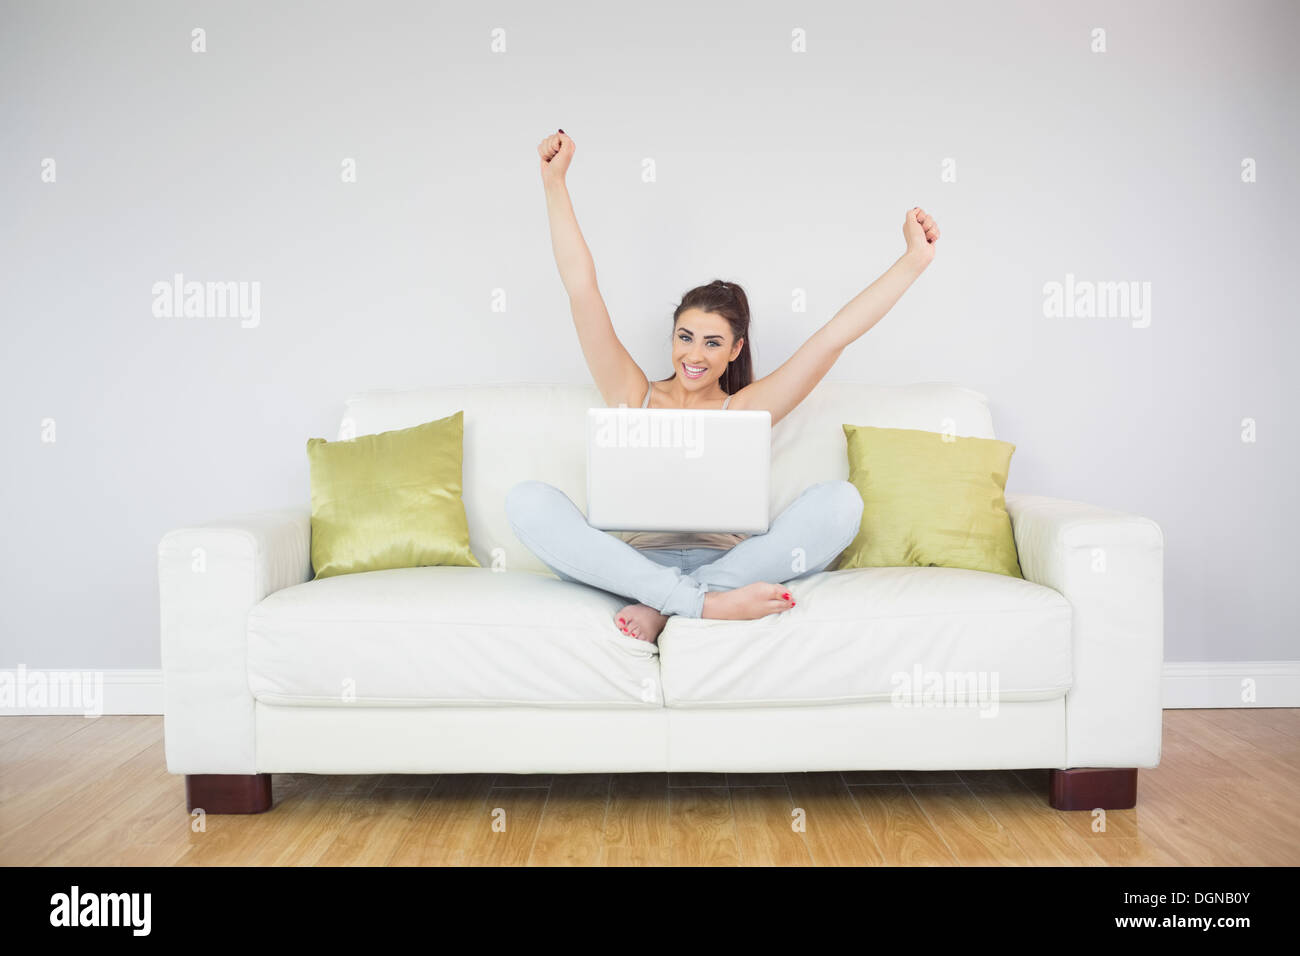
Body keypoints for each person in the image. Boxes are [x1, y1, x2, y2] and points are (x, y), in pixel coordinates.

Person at [506, 129, 940, 644]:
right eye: (686, 337)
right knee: (527, 502)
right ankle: (703, 604)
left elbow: (834, 337)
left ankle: (665, 606)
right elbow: (582, 288)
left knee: (842, 502)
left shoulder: (746, 408)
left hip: (729, 561)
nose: (694, 354)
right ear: (672, 337)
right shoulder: (633, 394)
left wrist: (913, 261)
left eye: (713, 343)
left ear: (735, 350)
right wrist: (555, 184)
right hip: (633, 562)